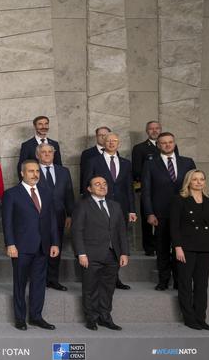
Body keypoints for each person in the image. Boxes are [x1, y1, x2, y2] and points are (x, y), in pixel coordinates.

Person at [3, 160, 60, 330]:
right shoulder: (11, 194)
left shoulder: (46, 192)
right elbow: (7, 222)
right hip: (21, 247)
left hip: (43, 245)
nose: (35, 174)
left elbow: (51, 220)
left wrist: (55, 242)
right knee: (20, 283)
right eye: (30, 171)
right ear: (22, 173)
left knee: (39, 283)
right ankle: (20, 318)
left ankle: (36, 316)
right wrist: (10, 244)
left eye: (37, 171)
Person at [71, 176, 129, 331]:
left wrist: (124, 252)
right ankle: (91, 318)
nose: (102, 186)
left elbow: (121, 231)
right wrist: (81, 253)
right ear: (89, 189)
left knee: (108, 288)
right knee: (90, 288)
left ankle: (105, 317)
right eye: (97, 184)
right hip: (90, 255)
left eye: (104, 184)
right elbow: (77, 231)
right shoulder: (82, 205)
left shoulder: (115, 206)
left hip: (112, 255)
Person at [170, 169, 209, 330]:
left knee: (202, 284)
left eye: (202, 179)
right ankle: (189, 318)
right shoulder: (179, 200)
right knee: (186, 283)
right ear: (189, 181)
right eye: (195, 179)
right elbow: (174, 227)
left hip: (207, 247)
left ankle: (201, 318)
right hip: (186, 247)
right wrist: (177, 247)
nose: (199, 182)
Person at [142, 132, 196, 291]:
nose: (167, 145)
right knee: (162, 248)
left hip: (184, 213)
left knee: (182, 248)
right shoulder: (150, 164)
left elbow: (195, 187)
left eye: (170, 142)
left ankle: (180, 281)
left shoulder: (187, 162)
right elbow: (146, 191)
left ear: (174, 143)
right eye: (163, 143)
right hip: (161, 213)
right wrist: (149, 213)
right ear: (158, 145)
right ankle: (164, 280)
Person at [83, 132, 136, 289]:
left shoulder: (126, 163)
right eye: (109, 140)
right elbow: (87, 185)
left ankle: (114, 278)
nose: (112, 143)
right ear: (103, 142)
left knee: (118, 242)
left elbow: (129, 188)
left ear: (119, 143)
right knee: (101, 241)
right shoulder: (93, 161)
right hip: (98, 208)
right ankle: (98, 275)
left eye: (115, 141)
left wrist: (132, 210)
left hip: (121, 208)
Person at [35, 143, 74, 291]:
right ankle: (40, 279)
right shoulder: (33, 170)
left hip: (58, 216)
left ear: (54, 154)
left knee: (56, 248)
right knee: (40, 248)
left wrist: (70, 214)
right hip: (39, 216)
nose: (47, 154)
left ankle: (53, 279)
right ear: (38, 155)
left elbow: (69, 194)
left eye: (49, 152)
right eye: (43, 152)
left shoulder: (63, 171)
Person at [132, 120, 172, 256]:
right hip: (148, 189)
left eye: (157, 128)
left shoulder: (170, 147)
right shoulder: (140, 148)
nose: (154, 131)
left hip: (167, 190)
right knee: (147, 219)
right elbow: (137, 171)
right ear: (146, 131)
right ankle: (149, 248)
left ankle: (167, 246)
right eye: (151, 129)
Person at [79, 125, 111, 194]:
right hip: (95, 192)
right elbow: (84, 175)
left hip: (111, 192)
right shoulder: (87, 154)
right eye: (100, 135)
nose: (103, 137)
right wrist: (83, 192)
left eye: (105, 135)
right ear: (96, 137)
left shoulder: (115, 152)